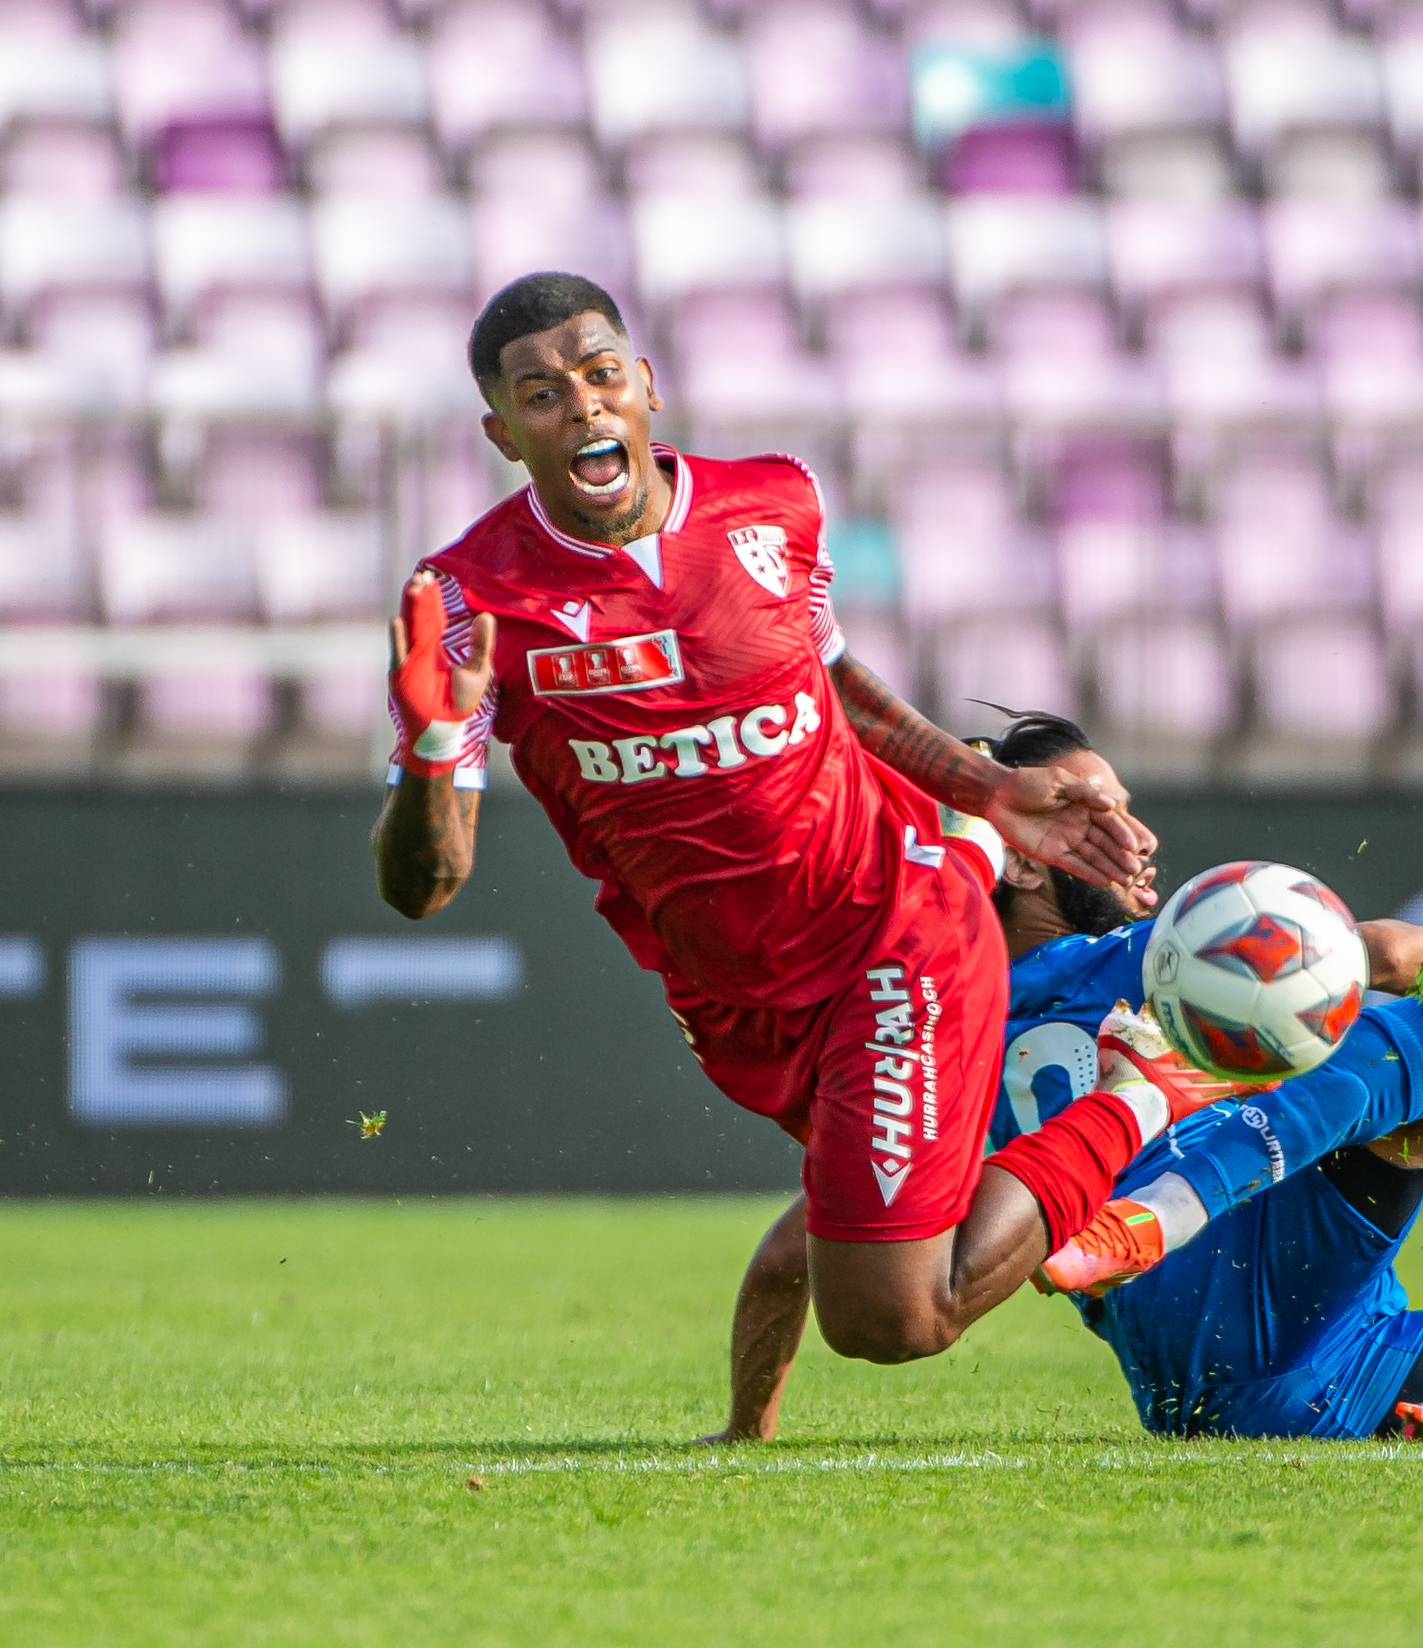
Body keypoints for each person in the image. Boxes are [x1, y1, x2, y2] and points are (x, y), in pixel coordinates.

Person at [373, 272, 1227, 1368]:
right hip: (734, 997)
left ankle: (1137, 1088)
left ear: (645, 387)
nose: (581, 407)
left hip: (891, 933)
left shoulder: (773, 504)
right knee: (901, 1246)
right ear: (502, 432)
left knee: (889, 1320)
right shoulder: (465, 600)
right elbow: (421, 886)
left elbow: (837, 685)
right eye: (541, 395)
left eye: (599, 377)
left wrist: (989, 791)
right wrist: (438, 750)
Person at [707, 715, 1423, 1446]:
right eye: (1094, 817)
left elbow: (783, 1260)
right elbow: (1391, 950)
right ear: (1021, 858)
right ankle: (1174, 1202)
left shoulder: (926, 1037)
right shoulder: (1138, 961)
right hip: (1270, 1281)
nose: (1136, 838)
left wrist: (747, 1430)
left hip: (1243, 1386)